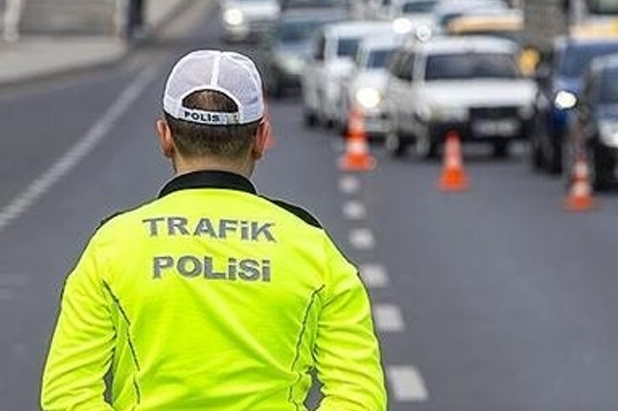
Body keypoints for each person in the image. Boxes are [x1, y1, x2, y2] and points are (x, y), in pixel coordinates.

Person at [41, 50, 387, 411]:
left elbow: (67, 395)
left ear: (165, 137)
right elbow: (359, 396)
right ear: (260, 138)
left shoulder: (112, 246)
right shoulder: (313, 248)